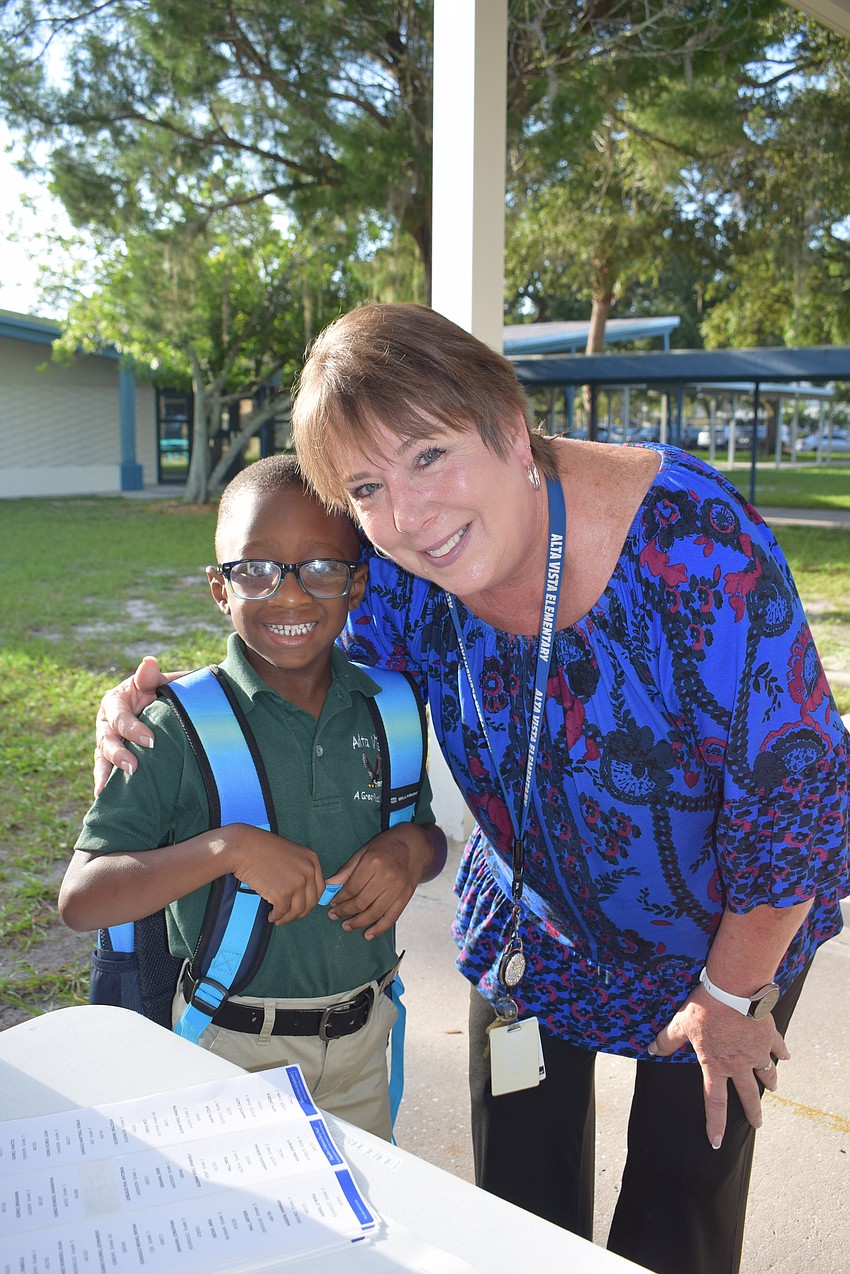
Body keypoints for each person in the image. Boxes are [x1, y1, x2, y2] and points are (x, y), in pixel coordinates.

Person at [94, 305, 849, 1274]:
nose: (410, 517)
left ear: (508, 424)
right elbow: (304, 660)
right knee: (517, 1214)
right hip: (531, 927)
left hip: (721, 940)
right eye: (367, 486)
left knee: (679, 1208)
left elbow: (797, 803)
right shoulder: (397, 573)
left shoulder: (699, 547)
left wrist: (729, 994)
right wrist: (156, 707)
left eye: (429, 455)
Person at [62, 453, 447, 1142]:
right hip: (228, 1049)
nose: (290, 596)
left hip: (365, 1042)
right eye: (256, 570)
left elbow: (426, 833)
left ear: (357, 582)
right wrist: (227, 849)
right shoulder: (172, 726)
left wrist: (411, 849)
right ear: (220, 587)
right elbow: (84, 898)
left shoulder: (391, 708)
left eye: (322, 567)